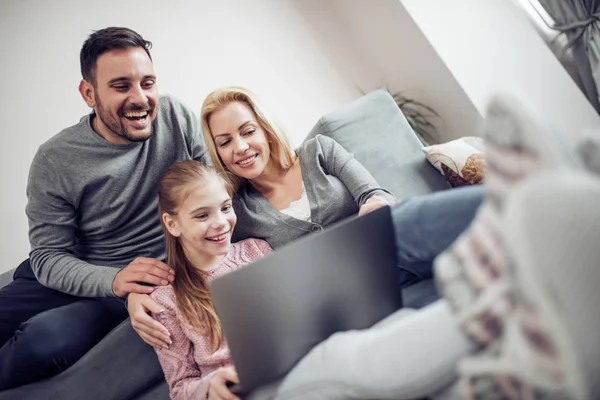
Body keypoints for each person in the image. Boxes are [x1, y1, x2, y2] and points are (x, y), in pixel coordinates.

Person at [128, 86, 486, 348]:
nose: (239, 148)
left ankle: (509, 209)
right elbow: (195, 251)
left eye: (247, 131)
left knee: (401, 218)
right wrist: (133, 296)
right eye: (224, 142)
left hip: (388, 243)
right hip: (349, 294)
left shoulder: (319, 151)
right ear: (217, 152)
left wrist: (374, 207)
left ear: (264, 128)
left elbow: (373, 193)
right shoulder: (236, 211)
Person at [0, 26, 208, 390]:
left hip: (136, 280)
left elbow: (213, 192)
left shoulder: (177, 117)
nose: (140, 98)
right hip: (74, 269)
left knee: (43, 339)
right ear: (88, 93)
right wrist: (111, 279)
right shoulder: (56, 158)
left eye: (147, 82)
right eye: (121, 86)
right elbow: (49, 256)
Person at [151, 160, 273, 400]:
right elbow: (179, 389)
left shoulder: (257, 250)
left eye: (225, 208)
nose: (220, 223)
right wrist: (210, 384)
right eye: (202, 215)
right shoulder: (165, 299)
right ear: (172, 224)